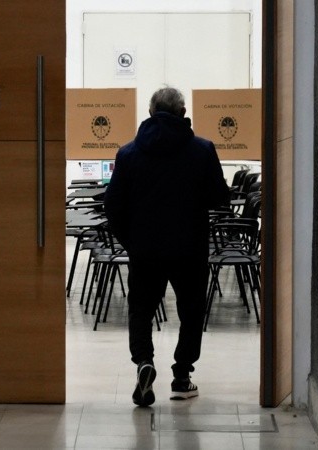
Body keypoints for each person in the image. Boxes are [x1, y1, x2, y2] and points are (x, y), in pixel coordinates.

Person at [103, 86, 230, 407]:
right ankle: (182, 376)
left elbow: (113, 207)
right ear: (183, 114)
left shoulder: (128, 154)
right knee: (190, 311)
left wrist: (131, 241)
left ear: (149, 113)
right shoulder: (202, 150)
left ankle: (144, 362)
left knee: (141, 310)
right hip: (189, 247)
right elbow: (220, 197)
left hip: (145, 248)